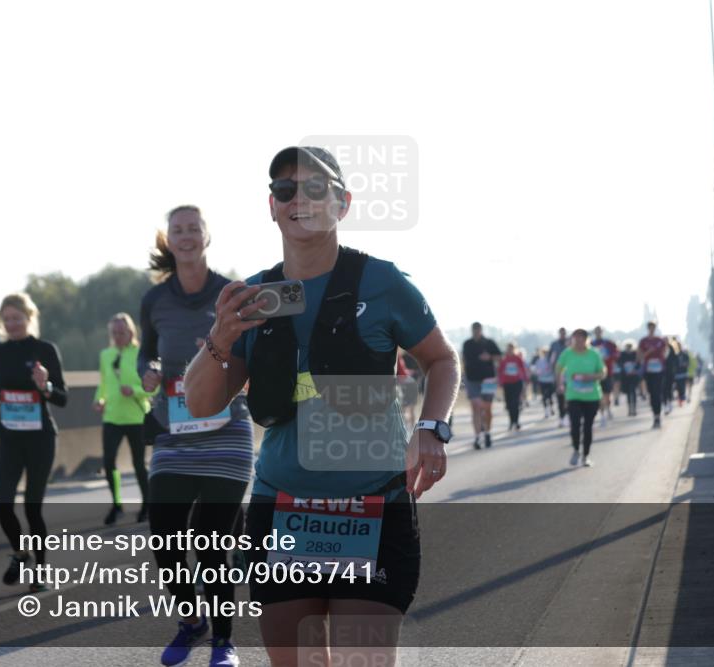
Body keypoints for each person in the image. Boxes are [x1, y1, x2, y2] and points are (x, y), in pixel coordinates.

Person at [184, 146, 459, 667]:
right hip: (282, 509)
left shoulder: (382, 283)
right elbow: (200, 403)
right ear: (272, 206)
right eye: (286, 190)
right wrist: (220, 337)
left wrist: (431, 427)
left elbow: (441, 359)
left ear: (342, 203)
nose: (300, 200)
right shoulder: (255, 297)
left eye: (315, 188)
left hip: (372, 507)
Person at [137, 204, 255, 667]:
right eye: (177, 230)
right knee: (165, 539)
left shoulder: (232, 292)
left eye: (193, 228)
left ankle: (223, 641)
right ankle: (191, 621)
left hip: (228, 432)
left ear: (206, 237)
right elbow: (146, 354)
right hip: (175, 431)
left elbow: (254, 348)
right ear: (169, 240)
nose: (185, 236)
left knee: (210, 543)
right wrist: (147, 371)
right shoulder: (154, 300)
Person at [0, 293, 67, 593]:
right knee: (3, 505)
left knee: (32, 508)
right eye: (6, 319)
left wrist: (45, 385)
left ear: (30, 318)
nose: (12, 324)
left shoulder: (45, 350)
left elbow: (62, 398)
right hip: (9, 436)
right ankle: (20, 553)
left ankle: (40, 571)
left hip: (40, 438)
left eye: (17, 318)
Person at [93, 313, 153, 525]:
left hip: (137, 417)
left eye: (121, 332)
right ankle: (117, 504)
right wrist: (98, 399)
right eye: (114, 333)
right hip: (112, 417)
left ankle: (147, 505)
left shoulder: (142, 354)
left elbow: (154, 388)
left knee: (138, 464)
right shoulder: (106, 355)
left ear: (131, 332)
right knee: (108, 462)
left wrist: (135, 390)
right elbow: (103, 382)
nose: (118, 337)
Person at [555, 328, 605, 467]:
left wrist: (590, 377)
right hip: (573, 395)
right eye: (576, 338)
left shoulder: (594, 354)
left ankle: (586, 455)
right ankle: (576, 450)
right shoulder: (567, 353)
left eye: (581, 338)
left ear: (586, 340)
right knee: (575, 424)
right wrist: (560, 384)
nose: (578, 341)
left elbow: (602, 373)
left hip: (592, 396)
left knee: (588, 426)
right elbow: (558, 369)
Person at [462, 322, 501, 448]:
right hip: (472, 379)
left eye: (478, 330)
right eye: (474, 330)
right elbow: (464, 359)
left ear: (481, 330)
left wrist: (490, 357)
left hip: (488, 380)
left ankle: (487, 433)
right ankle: (477, 437)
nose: (476, 332)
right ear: (472, 330)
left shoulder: (489, 343)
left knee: (487, 408)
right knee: (476, 407)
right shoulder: (467, 344)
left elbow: (499, 357)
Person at [638, 321, 667, 429]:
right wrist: (648, 352)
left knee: (657, 393)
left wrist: (662, 354)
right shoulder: (643, 341)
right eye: (650, 327)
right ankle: (655, 414)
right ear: (648, 328)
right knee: (651, 393)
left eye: (653, 327)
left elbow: (665, 353)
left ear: (655, 328)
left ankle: (657, 417)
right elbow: (639, 357)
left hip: (659, 371)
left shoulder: (660, 340)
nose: (651, 329)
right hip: (649, 371)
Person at [590, 326, 619, 427]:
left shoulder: (609, 343)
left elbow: (616, 354)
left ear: (602, 332)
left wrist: (609, 358)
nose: (598, 333)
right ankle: (602, 415)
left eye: (599, 331)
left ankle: (608, 408)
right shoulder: (591, 344)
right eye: (596, 331)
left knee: (607, 395)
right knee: (599, 396)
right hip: (595, 374)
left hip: (608, 373)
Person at [498, 342, 528, 431]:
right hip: (507, 383)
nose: (510, 350)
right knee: (509, 403)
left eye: (512, 348)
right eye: (509, 348)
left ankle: (516, 421)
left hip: (517, 382)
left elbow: (523, 369)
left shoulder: (518, 359)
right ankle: (511, 421)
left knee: (516, 402)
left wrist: (525, 379)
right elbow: (500, 371)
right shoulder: (504, 360)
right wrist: (500, 381)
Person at [548, 327, 569, 428]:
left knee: (569, 397)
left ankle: (569, 415)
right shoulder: (554, 344)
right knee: (560, 396)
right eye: (561, 333)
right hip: (558, 374)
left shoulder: (570, 343)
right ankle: (561, 417)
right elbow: (550, 358)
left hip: (570, 375)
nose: (562, 335)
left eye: (564, 333)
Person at [617, 341, 640, 417]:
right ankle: (630, 409)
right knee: (628, 393)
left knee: (633, 392)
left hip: (633, 376)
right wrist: (625, 369)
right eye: (627, 347)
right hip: (625, 377)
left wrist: (634, 370)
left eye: (630, 347)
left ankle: (634, 408)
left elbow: (638, 364)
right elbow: (619, 363)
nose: (628, 348)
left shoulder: (635, 354)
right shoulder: (622, 354)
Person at [532, 346, 556, 418]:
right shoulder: (539, 361)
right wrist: (540, 372)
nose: (546, 354)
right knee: (544, 396)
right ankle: (546, 411)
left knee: (550, 396)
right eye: (544, 353)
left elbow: (554, 369)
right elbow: (537, 370)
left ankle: (551, 408)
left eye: (547, 353)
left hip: (550, 380)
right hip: (542, 380)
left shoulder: (551, 360)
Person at [663, 337, 680, 414]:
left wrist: (675, 370)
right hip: (661, 372)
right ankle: (665, 405)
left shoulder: (672, 348)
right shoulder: (660, 349)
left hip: (670, 372)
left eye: (666, 341)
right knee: (663, 389)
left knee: (669, 389)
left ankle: (670, 403)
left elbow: (676, 359)